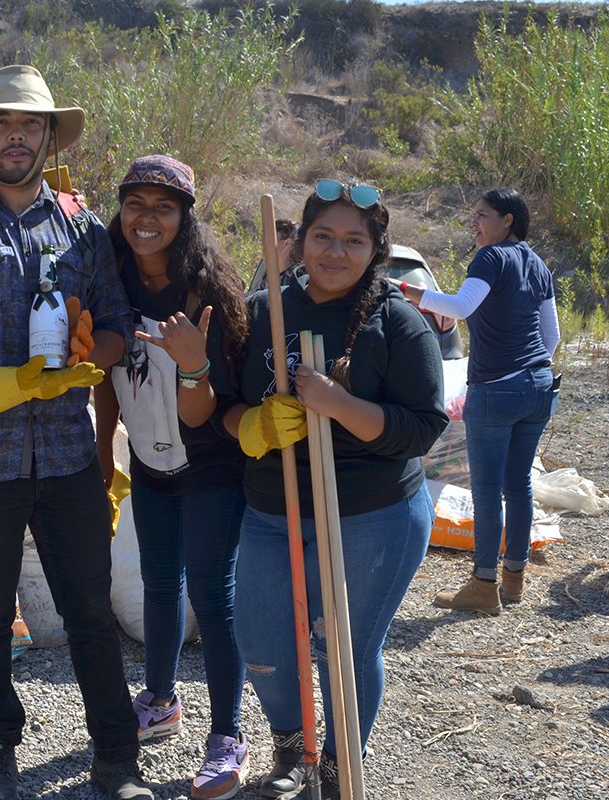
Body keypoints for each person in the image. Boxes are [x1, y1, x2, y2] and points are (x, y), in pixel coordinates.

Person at [0, 65, 153, 800]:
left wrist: (87, 359)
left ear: (48, 135)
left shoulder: (78, 222)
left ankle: (117, 760)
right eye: (3, 123)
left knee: (89, 610)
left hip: (70, 455)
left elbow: (114, 325)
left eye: (31, 123)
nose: (17, 135)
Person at [225, 181, 447, 799]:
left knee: (341, 648)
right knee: (263, 642)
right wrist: (252, 423)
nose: (334, 252)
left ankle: (343, 760)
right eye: (322, 235)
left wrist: (340, 404)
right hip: (273, 507)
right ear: (298, 239)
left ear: (376, 250)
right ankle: (295, 747)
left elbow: (423, 428)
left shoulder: (399, 321)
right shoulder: (263, 309)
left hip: (374, 513)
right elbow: (225, 404)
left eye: (354, 240)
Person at [93, 155, 252, 800]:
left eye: (163, 206)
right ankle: (160, 699)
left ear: (185, 218)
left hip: (211, 463)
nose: (147, 218)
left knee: (213, 594)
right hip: (150, 461)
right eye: (136, 203)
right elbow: (106, 372)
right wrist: (105, 449)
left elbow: (203, 410)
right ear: (121, 211)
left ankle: (227, 735)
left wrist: (191, 365)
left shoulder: (202, 295)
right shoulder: (113, 279)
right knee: (160, 584)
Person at [400, 189, 559, 615]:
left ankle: (483, 586)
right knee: (518, 484)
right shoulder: (538, 264)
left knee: (488, 490)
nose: (474, 222)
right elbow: (552, 338)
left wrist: (408, 292)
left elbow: (462, 306)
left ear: (507, 220)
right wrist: (527, 368)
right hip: (540, 386)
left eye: (481, 215)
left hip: (497, 388)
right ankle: (514, 579)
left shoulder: (491, 257)